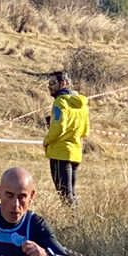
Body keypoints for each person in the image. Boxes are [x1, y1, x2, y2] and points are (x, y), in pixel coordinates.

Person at [41, 70, 90, 206]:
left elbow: (59, 127)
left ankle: (73, 223)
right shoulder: (83, 105)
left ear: (63, 83)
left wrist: (46, 141)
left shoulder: (60, 102)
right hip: (75, 154)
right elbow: (85, 131)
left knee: (65, 196)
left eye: (52, 83)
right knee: (71, 194)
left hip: (60, 153)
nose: (49, 86)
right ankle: (76, 221)